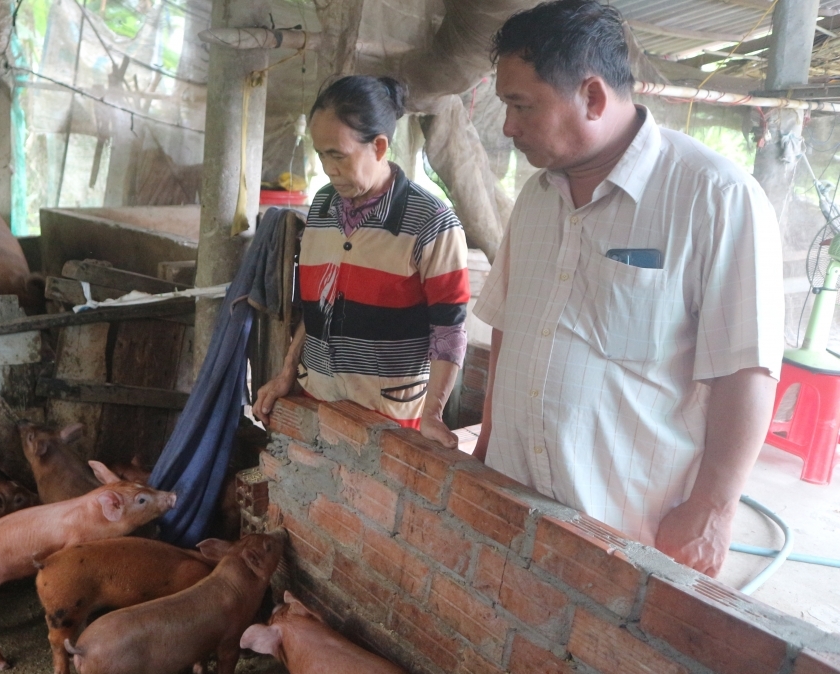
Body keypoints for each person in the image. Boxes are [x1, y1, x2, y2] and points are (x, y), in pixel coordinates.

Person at [472, 0, 784, 577]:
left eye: (520, 105)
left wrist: (713, 511)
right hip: (516, 507)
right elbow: (508, 329)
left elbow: (747, 368)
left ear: (591, 97)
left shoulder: (713, 197)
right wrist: (488, 446)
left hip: (629, 528)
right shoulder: (536, 200)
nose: (509, 127)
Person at [254, 76, 471, 446]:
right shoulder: (322, 208)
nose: (327, 168)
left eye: (337, 154)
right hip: (317, 403)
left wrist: (432, 414)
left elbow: (448, 331)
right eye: (321, 154)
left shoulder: (432, 223)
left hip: (387, 421)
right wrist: (287, 372)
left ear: (379, 146)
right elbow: (317, 308)